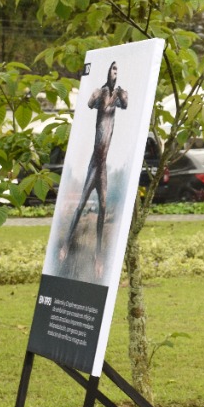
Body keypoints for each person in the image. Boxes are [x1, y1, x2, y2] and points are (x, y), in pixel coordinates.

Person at [59, 61, 128, 278]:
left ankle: (98, 256)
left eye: (117, 69)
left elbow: (126, 105)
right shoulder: (101, 93)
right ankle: (66, 245)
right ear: (108, 71)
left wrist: (124, 95)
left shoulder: (118, 95)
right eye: (112, 69)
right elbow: (89, 104)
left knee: (104, 207)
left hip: (104, 164)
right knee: (80, 205)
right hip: (94, 161)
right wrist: (93, 93)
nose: (114, 73)